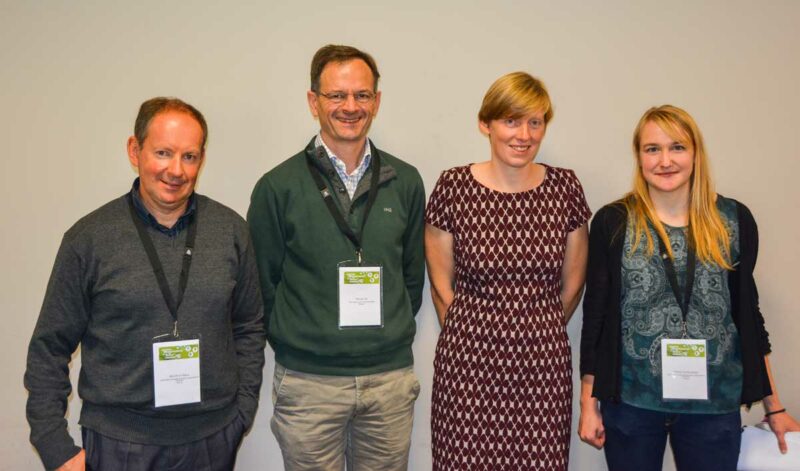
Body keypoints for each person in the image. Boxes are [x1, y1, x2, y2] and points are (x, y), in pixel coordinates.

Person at [24, 97, 267, 471]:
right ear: (134, 150)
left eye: (189, 156)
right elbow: (49, 347)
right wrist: (55, 446)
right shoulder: (89, 238)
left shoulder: (231, 230)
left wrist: (242, 411)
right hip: (119, 444)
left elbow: (249, 325)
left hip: (213, 440)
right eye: (163, 153)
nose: (176, 170)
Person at [578, 104, 800, 470]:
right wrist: (589, 404)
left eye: (677, 147)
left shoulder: (733, 220)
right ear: (639, 157)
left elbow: (748, 317)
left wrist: (774, 406)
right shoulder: (613, 222)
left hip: (714, 406)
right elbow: (596, 318)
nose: (665, 160)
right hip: (633, 404)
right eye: (653, 149)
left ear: (696, 153)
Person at [247, 44, 425, 470]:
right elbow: (260, 286)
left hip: (388, 382)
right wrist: (304, 341)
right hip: (309, 385)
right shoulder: (278, 186)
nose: (350, 106)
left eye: (362, 95)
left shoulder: (405, 181)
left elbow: (411, 279)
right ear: (313, 101)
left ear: (377, 102)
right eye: (336, 96)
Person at [425, 72, 591, 470]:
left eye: (535, 122)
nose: (524, 134)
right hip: (467, 368)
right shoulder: (453, 188)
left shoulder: (565, 189)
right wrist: (480, 335)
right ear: (487, 124)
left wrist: (532, 330)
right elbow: (440, 285)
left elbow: (572, 287)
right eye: (511, 121)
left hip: (542, 368)